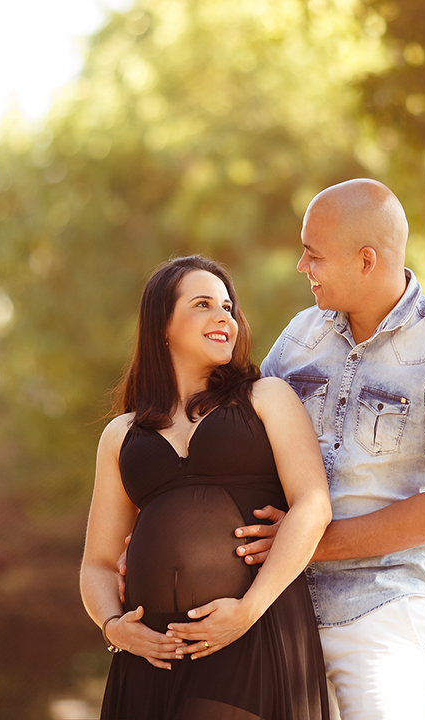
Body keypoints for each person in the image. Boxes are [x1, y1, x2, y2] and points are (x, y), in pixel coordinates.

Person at [170, 179, 425, 719]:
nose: (302, 266)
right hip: (280, 602)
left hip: (384, 607)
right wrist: (162, 527)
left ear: (366, 260)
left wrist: (305, 543)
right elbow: (236, 443)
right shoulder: (301, 335)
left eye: (314, 254)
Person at [80, 255, 333, 719]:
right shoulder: (122, 434)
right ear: (163, 325)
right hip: (149, 655)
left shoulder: (266, 397)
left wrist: (248, 611)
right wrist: (114, 628)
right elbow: (97, 563)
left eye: (228, 307)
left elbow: (313, 505)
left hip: (249, 636)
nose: (224, 318)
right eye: (203, 304)